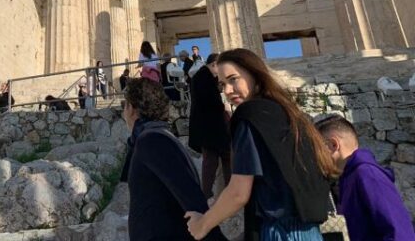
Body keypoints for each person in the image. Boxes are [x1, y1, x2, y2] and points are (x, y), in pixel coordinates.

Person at [185, 48, 335, 241]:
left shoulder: (249, 116)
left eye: (233, 79)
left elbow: (239, 193)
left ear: (254, 74)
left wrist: (201, 225)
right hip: (310, 231)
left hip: (279, 232)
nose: (227, 91)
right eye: (222, 84)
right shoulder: (286, 112)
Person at [120, 77, 227, 241]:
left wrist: (213, 236)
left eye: (124, 105)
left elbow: (189, 194)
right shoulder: (154, 138)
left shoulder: (153, 140)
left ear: (132, 108)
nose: (123, 112)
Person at [316, 114, 415, 241]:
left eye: (317, 150)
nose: (316, 158)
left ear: (333, 145)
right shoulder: (348, 178)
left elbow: (400, 234)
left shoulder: (367, 174)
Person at [188, 53, 231, 199]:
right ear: (214, 64)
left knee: (215, 158)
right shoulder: (204, 78)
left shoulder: (201, 77)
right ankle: (214, 191)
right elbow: (210, 103)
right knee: (218, 158)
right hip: (211, 126)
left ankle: (209, 191)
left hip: (208, 126)